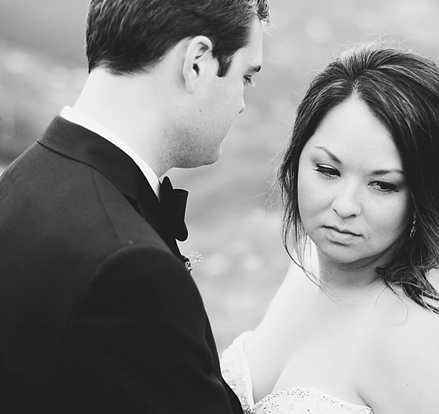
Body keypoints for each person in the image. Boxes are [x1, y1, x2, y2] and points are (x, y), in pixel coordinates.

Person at [0, 0, 269, 412]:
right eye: (246, 77)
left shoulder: (16, 183)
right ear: (196, 62)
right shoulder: (131, 269)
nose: (242, 103)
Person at [220, 43, 439, 413]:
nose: (344, 206)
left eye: (383, 185)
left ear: (425, 195)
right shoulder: (308, 261)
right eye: (328, 171)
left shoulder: (426, 340)